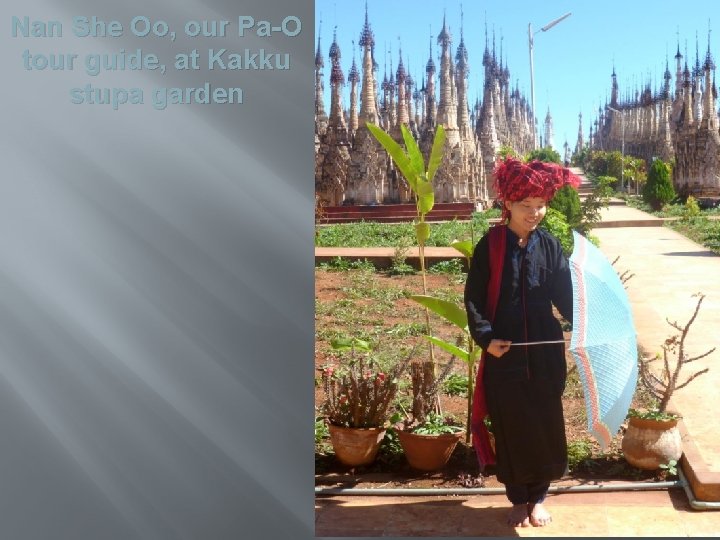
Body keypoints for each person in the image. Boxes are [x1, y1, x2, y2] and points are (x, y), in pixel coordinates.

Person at [464, 157, 580, 528]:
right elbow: (474, 299)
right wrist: (486, 338)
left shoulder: (549, 245)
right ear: (508, 205)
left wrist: (583, 323)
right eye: (525, 206)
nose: (534, 213)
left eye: (540, 206)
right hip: (504, 351)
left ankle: (539, 497)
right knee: (511, 424)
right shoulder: (492, 245)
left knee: (545, 422)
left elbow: (566, 294)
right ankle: (517, 496)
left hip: (545, 351)